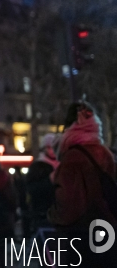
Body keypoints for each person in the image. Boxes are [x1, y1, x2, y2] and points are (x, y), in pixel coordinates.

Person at [48, 102, 117, 266]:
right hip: (107, 229)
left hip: (82, 234)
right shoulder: (105, 153)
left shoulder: (72, 157)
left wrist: (52, 215)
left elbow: (69, 203)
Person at [25, 133, 58, 236]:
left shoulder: (62, 164)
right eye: (49, 147)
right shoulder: (38, 167)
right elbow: (32, 189)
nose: (52, 150)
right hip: (43, 214)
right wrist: (49, 181)